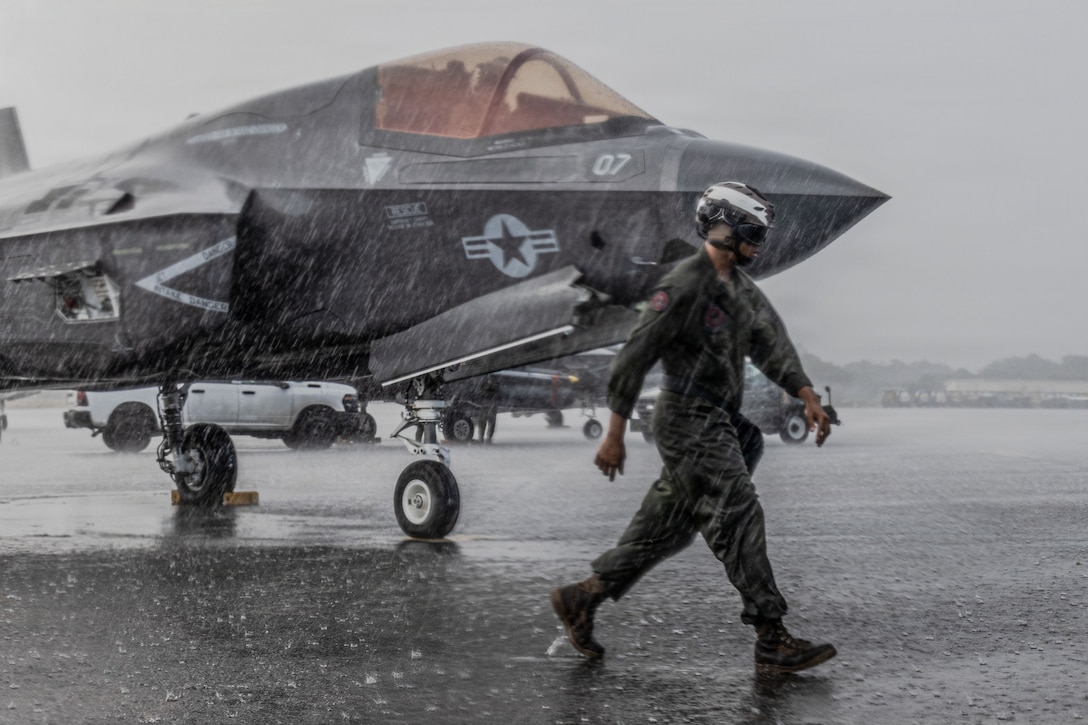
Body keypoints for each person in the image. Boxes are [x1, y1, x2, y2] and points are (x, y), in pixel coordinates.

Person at [550, 181, 836, 674]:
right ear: (725, 227)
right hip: (688, 417)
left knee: (666, 530)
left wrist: (806, 393)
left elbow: (772, 344)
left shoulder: (741, 291)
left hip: (721, 420)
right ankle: (771, 638)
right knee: (738, 512)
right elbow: (633, 359)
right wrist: (614, 433)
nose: (759, 244)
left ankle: (583, 597)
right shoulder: (682, 286)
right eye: (753, 232)